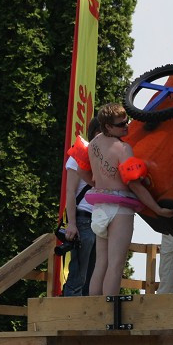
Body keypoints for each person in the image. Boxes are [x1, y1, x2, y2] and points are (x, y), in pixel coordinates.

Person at [87, 103, 173, 296]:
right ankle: (111, 316)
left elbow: (86, 173)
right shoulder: (123, 148)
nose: (126, 126)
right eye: (121, 124)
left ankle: (92, 313)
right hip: (120, 209)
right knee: (116, 265)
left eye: (127, 121)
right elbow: (134, 185)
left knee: (101, 263)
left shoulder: (93, 144)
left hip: (99, 206)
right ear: (108, 126)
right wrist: (157, 209)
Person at [62, 117, 102, 296]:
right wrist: (71, 223)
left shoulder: (104, 157)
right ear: (95, 133)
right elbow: (70, 192)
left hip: (101, 219)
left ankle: (86, 321)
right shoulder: (80, 154)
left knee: (94, 278)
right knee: (78, 277)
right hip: (83, 218)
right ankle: (68, 320)